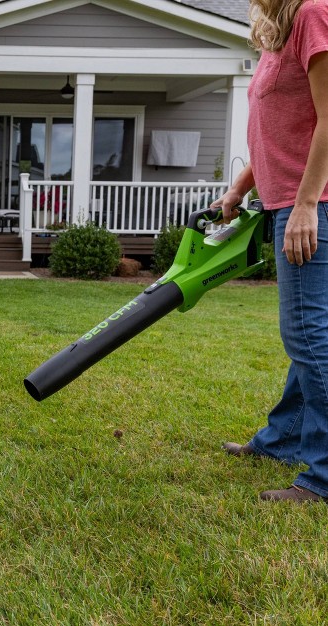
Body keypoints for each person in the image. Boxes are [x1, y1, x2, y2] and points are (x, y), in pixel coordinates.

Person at [215, 0, 328, 502]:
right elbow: (278, 133)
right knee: (309, 334)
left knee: (308, 335)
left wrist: (306, 205)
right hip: (287, 198)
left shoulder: (314, 14)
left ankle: (323, 475)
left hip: (313, 203)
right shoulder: (277, 30)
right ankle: (282, 440)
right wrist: (240, 188)